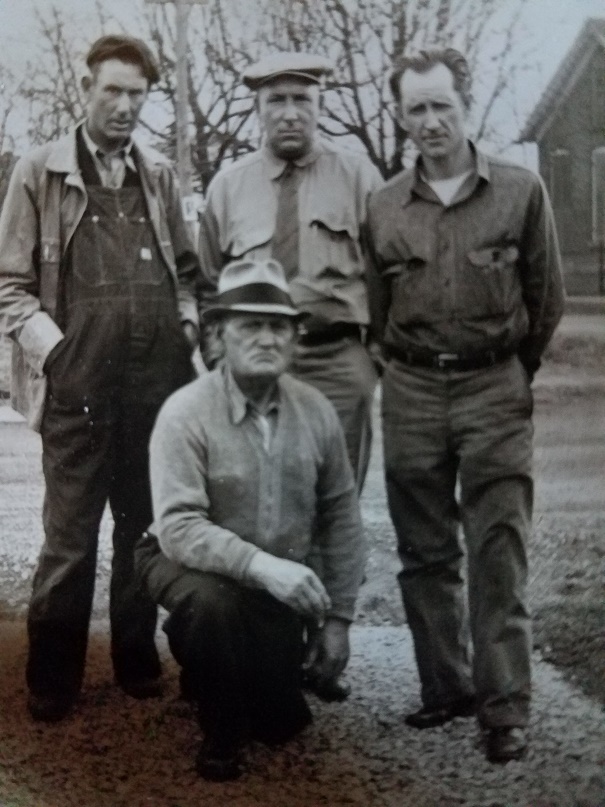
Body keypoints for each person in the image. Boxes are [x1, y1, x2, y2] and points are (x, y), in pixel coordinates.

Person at [364, 48, 564, 763]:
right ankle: (444, 687)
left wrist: (511, 373)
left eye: (440, 105)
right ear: (401, 115)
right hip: (412, 389)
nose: (429, 122)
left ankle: (503, 707)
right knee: (422, 550)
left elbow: (546, 299)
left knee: (496, 550)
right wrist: (403, 371)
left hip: (493, 387)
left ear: (464, 104)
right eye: (414, 109)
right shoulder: (382, 206)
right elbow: (375, 308)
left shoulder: (518, 192)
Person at [0, 35, 201, 722]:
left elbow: (188, 277)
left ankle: (135, 658)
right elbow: (10, 286)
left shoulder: (160, 175)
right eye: (111, 91)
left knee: (143, 529)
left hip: (156, 387)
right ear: (85, 88)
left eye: (136, 95)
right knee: (69, 539)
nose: (123, 106)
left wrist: (189, 331)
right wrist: (56, 357)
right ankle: (51, 676)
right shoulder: (39, 172)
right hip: (77, 389)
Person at [135, 257, 366, 781]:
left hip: (268, 575)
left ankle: (229, 666)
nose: (267, 338)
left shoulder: (317, 410)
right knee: (213, 609)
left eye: (279, 326)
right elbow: (180, 527)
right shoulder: (184, 411)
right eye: (251, 325)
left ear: (295, 338)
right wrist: (265, 568)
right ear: (218, 336)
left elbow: (342, 518)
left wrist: (338, 621)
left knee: (282, 722)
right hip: (182, 558)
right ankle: (220, 730)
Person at [197, 52, 382, 492]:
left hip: (336, 359)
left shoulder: (358, 177)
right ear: (257, 108)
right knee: (256, 494)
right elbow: (207, 284)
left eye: (302, 99)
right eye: (276, 100)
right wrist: (220, 358)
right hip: (252, 361)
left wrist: (373, 357)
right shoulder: (228, 186)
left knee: (336, 497)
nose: (290, 114)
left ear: (321, 105)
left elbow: (386, 274)